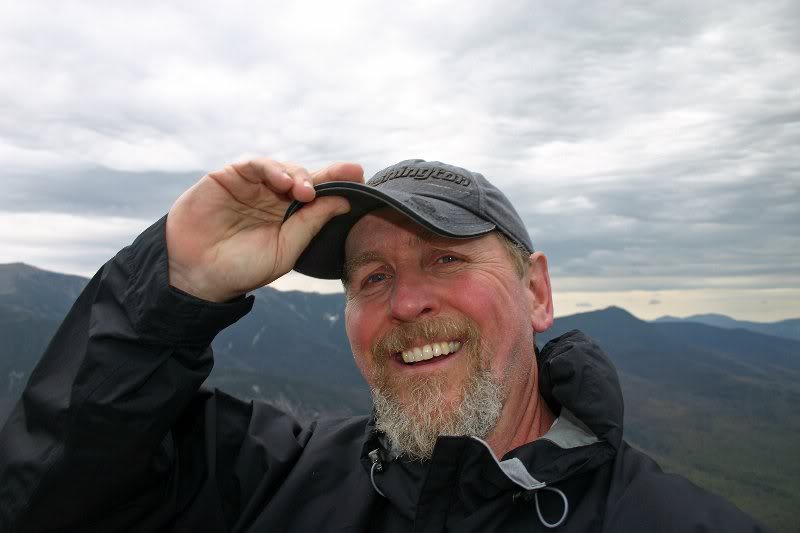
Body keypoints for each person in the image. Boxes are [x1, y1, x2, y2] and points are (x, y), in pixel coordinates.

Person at [0, 158, 768, 532]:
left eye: (446, 257)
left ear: (536, 291)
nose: (404, 302)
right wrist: (177, 284)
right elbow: (54, 498)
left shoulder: (677, 521)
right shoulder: (271, 480)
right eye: (371, 276)